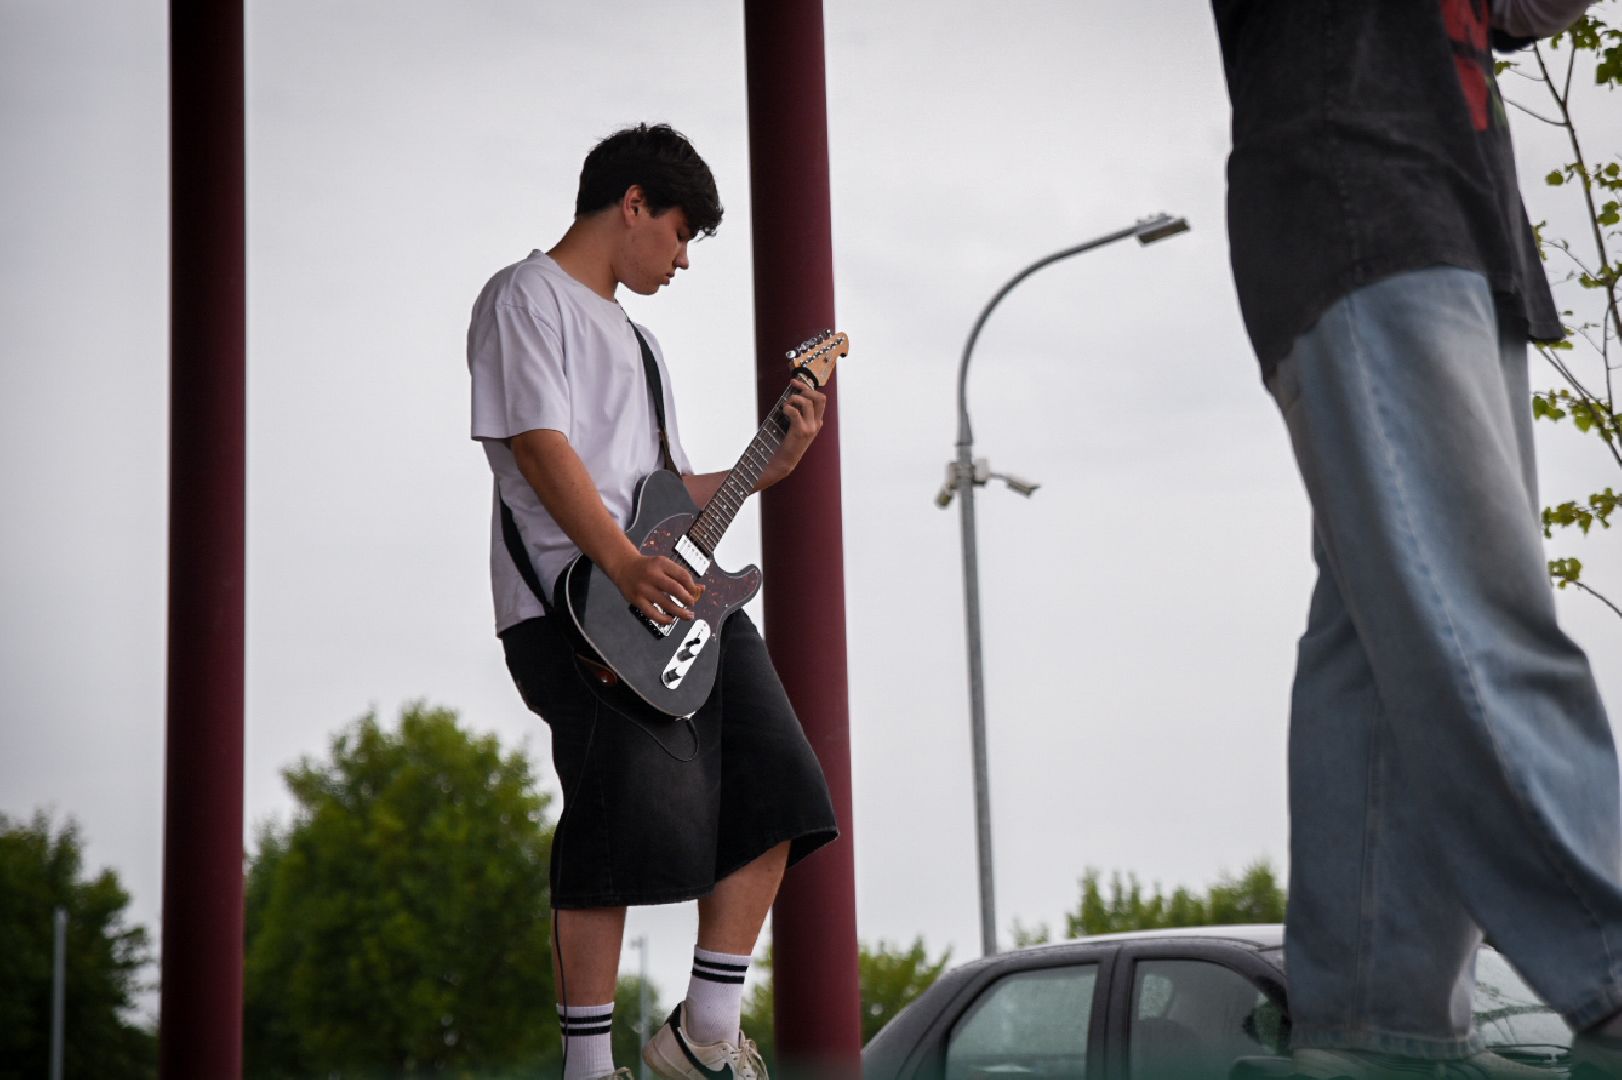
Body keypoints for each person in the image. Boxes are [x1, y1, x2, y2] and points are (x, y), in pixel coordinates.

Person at [1210, 1, 1622, 1076]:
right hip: (1356, 188)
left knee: (1383, 642)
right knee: (1471, 614)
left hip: (1463, 213)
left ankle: (1368, 1025)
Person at [466, 123, 838, 1080]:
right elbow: (542, 447)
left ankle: (704, 1033)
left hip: (668, 595)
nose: (681, 260)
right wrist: (624, 565)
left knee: (782, 786)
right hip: (572, 609)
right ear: (631, 202)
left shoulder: (642, 341)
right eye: (679, 234)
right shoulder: (525, 296)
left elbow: (665, 492)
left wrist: (773, 464)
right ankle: (588, 1072)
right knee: (614, 828)